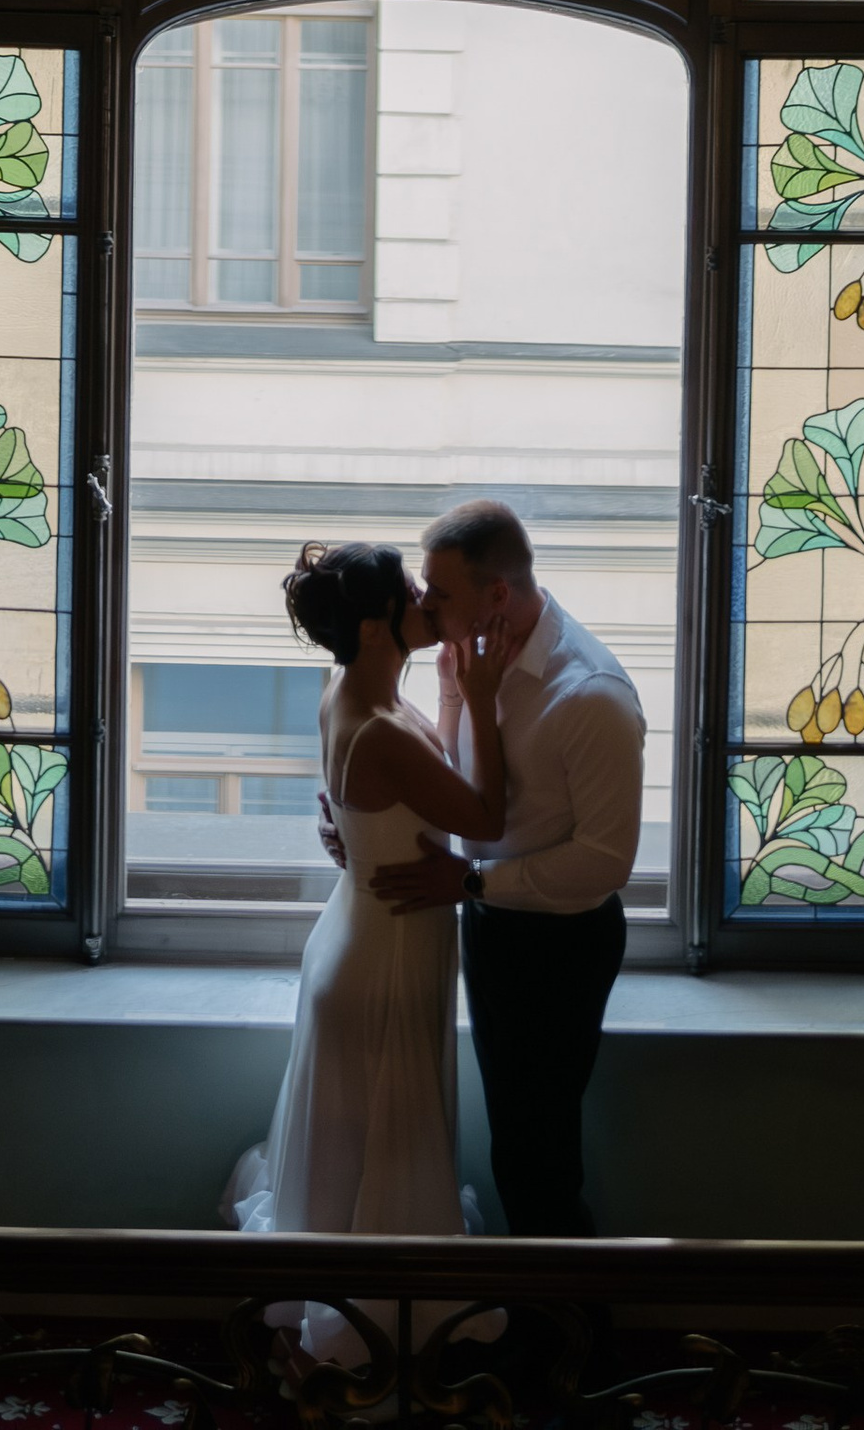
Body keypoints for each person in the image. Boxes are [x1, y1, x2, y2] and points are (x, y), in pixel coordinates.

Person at [227, 539, 520, 1352]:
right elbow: (486, 817)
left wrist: (454, 693)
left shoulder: (352, 692)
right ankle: (365, 1330)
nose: (427, 599)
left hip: (364, 928)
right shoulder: (377, 725)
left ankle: (334, 1310)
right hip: (381, 955)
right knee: (379, 1139)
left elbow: (371, 800)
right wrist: (487, 698)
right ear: (373, 629)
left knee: (358, 1144)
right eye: (409, 594)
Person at [367, 499, 644, 1238]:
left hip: (560, 944)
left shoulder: (590, 697)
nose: (423, 604)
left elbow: (607, 861)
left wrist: (470, 884)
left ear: (498, 596)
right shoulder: (476, 662)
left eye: (440, 592)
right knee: (513, 1145)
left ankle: (572, 1337)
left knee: (539, 1155)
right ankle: (538, 1318)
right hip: (491, 923)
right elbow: (463, 780)